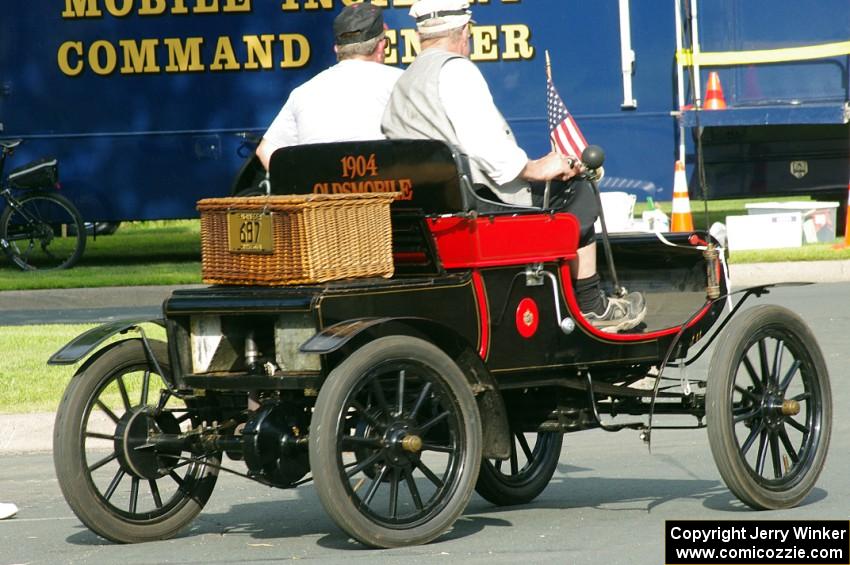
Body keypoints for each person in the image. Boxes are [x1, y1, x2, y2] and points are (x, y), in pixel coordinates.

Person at [382, 0, 645, 332]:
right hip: (476, 207)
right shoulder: (456, 70)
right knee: (577, 190)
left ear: (422, 35)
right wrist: (538, 168)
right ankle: (592, 307)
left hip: (429, 211)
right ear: (465, 31)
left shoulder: (405, 81)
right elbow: (487, 147)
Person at [255, 2, 403, 170]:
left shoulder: (303, 92)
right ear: (381, 45)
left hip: (321, 194)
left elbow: (266, 149)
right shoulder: (402, 83)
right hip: (385, 193)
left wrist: (297, 187)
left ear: (336, 49)